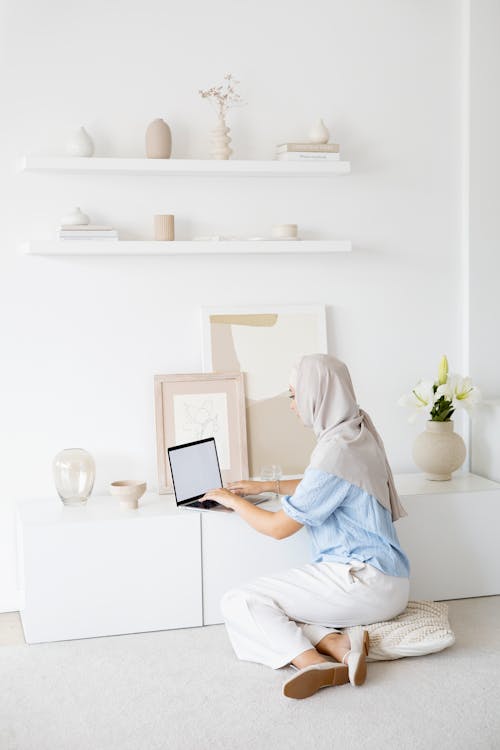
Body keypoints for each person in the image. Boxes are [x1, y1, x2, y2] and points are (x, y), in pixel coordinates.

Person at [201, 354, 410, 700]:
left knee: (240, 601)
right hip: (391, 581)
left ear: (317, 394)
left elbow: (278, 528)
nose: (292, 404)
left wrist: (233, 501)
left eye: (294, 394)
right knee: (283, 606)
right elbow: (324, 482)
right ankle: (341, 644)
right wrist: (266, 486)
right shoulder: (355, 432)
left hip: (362, 581)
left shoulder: (335, 452)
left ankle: (313, 664)